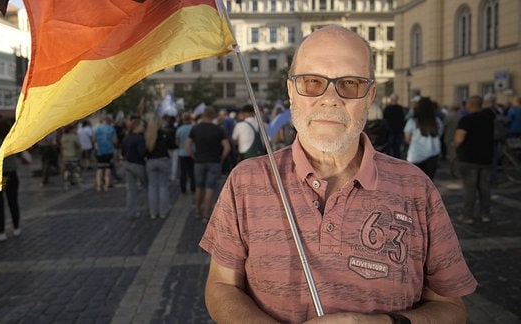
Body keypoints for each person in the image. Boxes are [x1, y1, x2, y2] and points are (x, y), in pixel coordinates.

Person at [200, 25, 476, 323]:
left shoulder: (416, 187)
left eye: (350, 84)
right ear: (291, 91)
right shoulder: (246, 180)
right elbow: (221, 286)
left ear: (370, 95)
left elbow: (451, 308)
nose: (330, 99)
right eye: (312, 82)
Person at [186, 106, 230, 222]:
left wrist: (192, 156)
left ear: (203, 115)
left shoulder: (195, 128)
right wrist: (221, 158)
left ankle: (197, 211)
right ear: (213, 116)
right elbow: (227, 147)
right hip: (214, 161)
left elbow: (188, 144)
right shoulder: (218, 129)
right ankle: (206, 214)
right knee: (210, 188)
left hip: (199, 161)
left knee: (199, 187)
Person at [454, 95, 494, 224]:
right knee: (485, 188)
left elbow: (459, 139)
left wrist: (454, 145)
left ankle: (467, 215)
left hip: (469, 158)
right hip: (486, 158)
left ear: (469, 105)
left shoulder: (466, 120)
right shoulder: (489, 119)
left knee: (470, 188)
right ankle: (485, 214)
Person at [403, 97, 443, 179]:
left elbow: (407, 139)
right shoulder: (437, 121)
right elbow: (440, 134)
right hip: (433, 154)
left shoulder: (412, 122)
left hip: (416, 156)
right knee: (429, 183)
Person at [145, 114, 175, 219]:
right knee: (163, 187)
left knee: (152, 188)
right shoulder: (164, 134)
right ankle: (163, 212)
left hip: (151, 162)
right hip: (163, 160)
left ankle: (153, 212)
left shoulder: (147, 135)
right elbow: (172, 146)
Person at [122, 118, 147, 218]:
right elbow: (142, 153)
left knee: (131, 190)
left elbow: (122, 152)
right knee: (149, 187)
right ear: (137, 126)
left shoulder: (126, 138)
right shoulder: (139, 138)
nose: (143, 127)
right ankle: (152, 209)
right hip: (138, 165)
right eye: (142, 125)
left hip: (128, 164)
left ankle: (131, 212)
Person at [93, 116, 118, 191]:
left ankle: (99, 185)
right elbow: (115, 141)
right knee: (108, 168)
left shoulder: (96, 129)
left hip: (99, 151)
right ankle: (107, 184)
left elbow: (94, 140)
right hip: (109, 150)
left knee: (99, 168)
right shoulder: (111, 129)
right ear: (109, 121)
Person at [175, 112, 195, 194]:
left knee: (183, 172)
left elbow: (177, 142)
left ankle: (183, 189)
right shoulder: (193, 128)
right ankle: (193, 188)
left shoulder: (179, 129)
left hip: (182, 153)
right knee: (192, 172)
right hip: (192, 152)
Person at [382, 93, 405, 158]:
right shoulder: (400, 108)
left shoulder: (387, 109)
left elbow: (384, 119)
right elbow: (402, 119)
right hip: (398, 130)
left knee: (389, 147)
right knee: (397, 148)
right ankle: (397, 160)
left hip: (390, 130)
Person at [59, 124, 82, 189]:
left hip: (66, 156)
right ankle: (78, 181)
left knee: (67, 170)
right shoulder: (74, 136)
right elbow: (79, 145)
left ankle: (66, 182)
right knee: (76, 170)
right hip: (73, 155)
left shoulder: (63, 137)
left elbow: (62, 147)